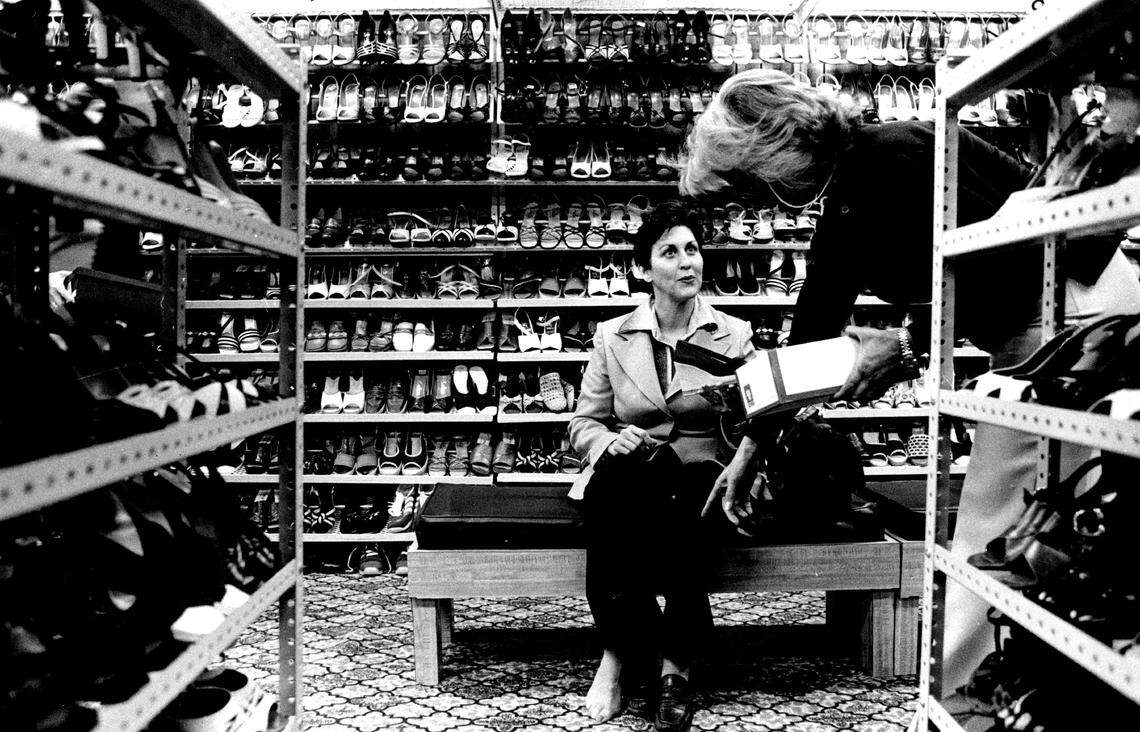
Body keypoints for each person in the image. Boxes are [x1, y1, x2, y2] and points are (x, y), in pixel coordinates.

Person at [679, 68, 1140, 693]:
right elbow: (816, 317)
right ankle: (1018, 686)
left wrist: (903, 345)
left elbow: (1010, 258)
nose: (751, 200)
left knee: (992, 526)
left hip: (1073, 308)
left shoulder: (890, 158)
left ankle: (964, 695)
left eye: (744, 182)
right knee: (1033, 523)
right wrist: (754, 447)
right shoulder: (851, 184)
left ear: (774, 148)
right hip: (1040, 319)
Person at [568, 199, 755, 730]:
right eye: (669, 252)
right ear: (642, 268)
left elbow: (753, 421)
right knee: (613, 493)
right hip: (632, 469)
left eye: (692, 250)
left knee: (682, 499)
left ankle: (672, 666)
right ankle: (618, 654)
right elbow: (583, 423)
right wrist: (608, 442)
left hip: (704, 470)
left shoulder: (733, 334)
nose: (686, 262)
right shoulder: (612, 335)